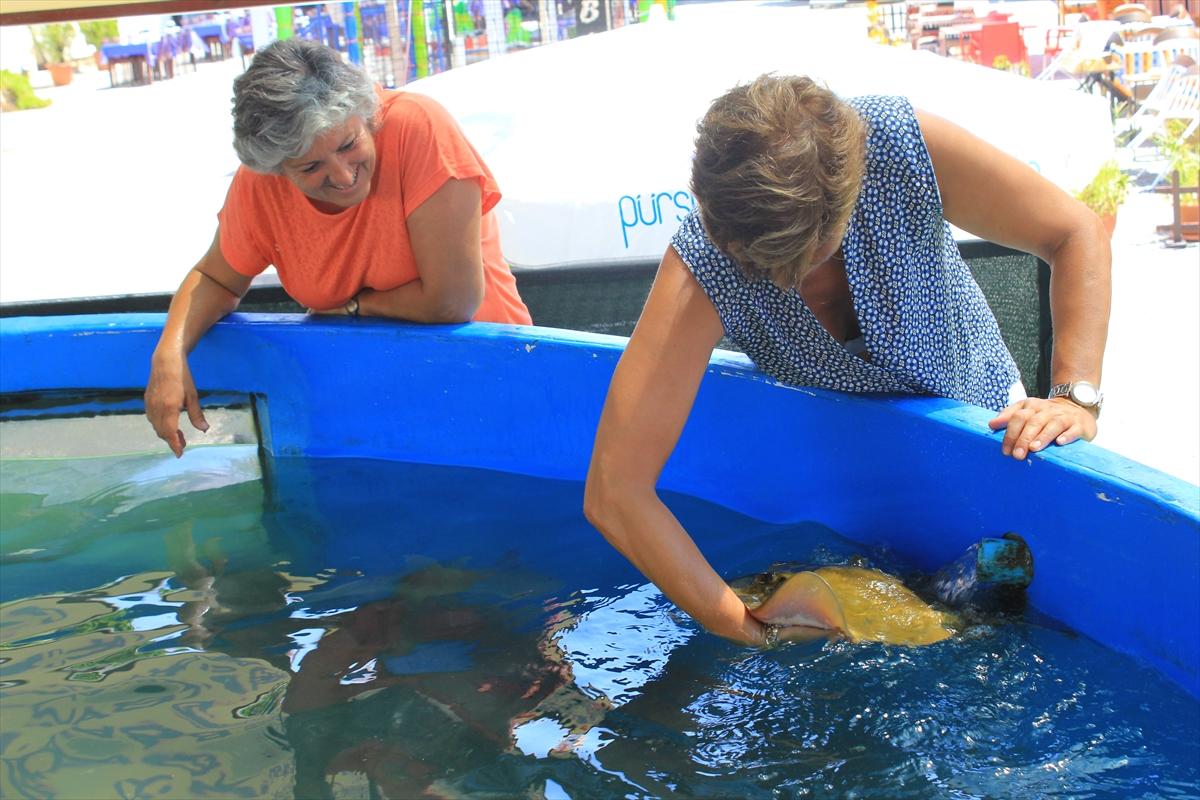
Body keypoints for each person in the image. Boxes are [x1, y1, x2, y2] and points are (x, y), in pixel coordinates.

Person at [584, 75, 1110, 647]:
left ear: (852, 193)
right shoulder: (707, 256)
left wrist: (1074, 395)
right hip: (847, 477)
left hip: (983, 435)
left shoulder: (895, 144)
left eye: (807, 251)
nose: (789, 277)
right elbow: (615, 490)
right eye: (759, 262)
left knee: (1016, 605)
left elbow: (1074, 230)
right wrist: (748, 632)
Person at [144, 39, 531, 457]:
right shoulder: (260, 184)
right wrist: (170, 352)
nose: (344, 176)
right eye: (311, 167)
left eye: (348, 144)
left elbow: (452, 302)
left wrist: (353, 307)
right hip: (361, 409)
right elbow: (216, 277)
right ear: (278, 170)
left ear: (366, 116)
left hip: (490, 380)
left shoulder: (418, 127)